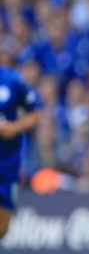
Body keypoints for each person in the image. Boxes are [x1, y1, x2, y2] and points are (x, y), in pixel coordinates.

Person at [0, 67, 42, 239]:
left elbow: (35, 115)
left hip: (7, 162)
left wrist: (13, 128)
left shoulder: (13, 80)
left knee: (3, 227)